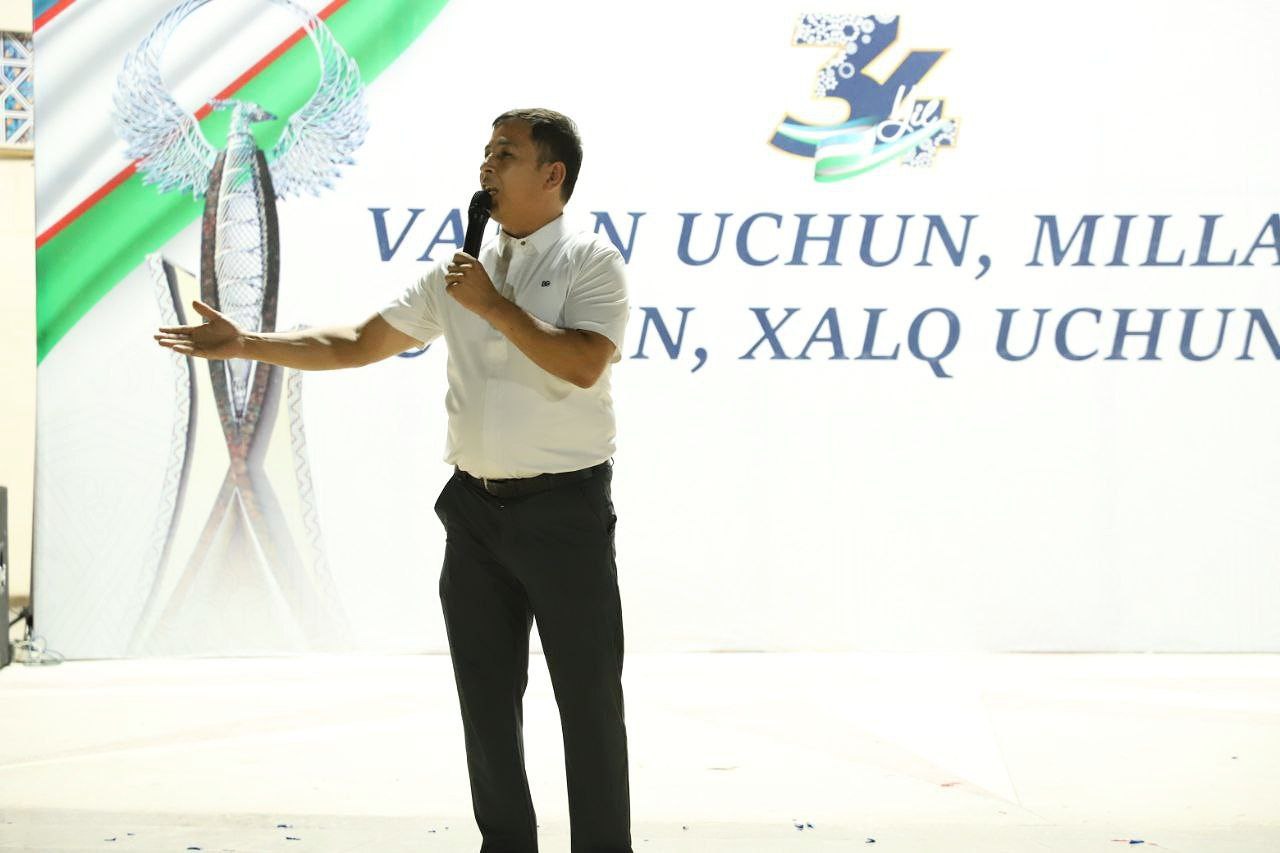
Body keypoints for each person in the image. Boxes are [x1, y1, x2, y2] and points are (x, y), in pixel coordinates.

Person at [154, 107, 633, 853]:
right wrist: (246, 342)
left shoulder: (591, 263)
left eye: (505, 154)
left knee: (589, 702)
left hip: (565, 513)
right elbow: (355, 343)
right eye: (485, 150)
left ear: (552, 174)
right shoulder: (458, 275)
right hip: (475, 516)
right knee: (485, 704)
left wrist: (494, 307)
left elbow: (581, 364)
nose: (486, 164)